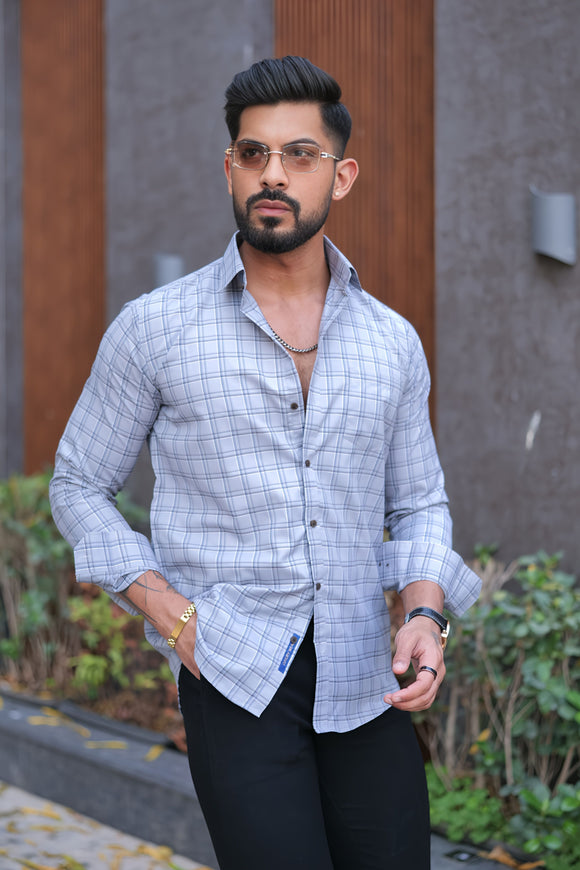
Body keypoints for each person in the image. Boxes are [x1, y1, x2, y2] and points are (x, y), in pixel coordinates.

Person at [50, 55, 481, 870]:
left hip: (367, 677)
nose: (272, 175)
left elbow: (420, 502)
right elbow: (78, 483)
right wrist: (170, 615)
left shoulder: (392, 341)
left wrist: (424, 615)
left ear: (341, 175)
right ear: (230, 168)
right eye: (253, 154)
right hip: (233, 672)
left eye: (299, 155)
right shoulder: (156, 329)